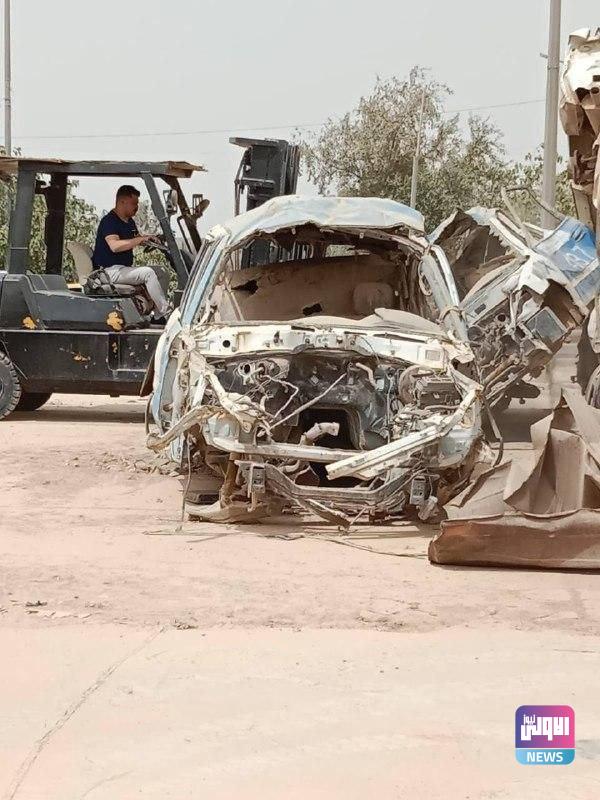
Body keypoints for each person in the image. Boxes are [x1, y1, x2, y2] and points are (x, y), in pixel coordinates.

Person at [91, 185, 170, 318]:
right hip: (108, 271)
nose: (137, 207)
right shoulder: (109, 221)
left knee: (162, 272)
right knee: (148, 273)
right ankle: (167, 313)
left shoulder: (129, 222)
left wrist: (150, 239)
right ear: (122, 202)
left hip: (122, 269)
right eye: (134, 203)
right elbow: (114, 246)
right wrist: (140, 239)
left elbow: (136, 239)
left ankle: (158, 317)